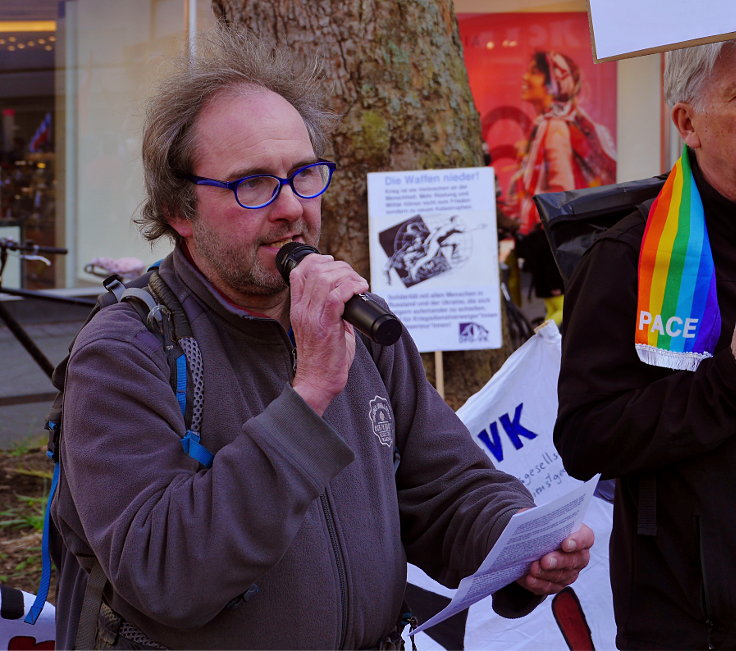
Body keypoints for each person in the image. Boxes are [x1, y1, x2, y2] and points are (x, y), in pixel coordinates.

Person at [52, 27, 593, 650]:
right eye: (251, 183)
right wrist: (309, 394)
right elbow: (166, 573)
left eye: (303, 174)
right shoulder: (123, 355)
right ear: (180, 210)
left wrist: (518, 538)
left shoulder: (362, 323)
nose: (290, 208)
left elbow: (443, 486)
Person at [554, 40, 736, 649]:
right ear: (687, 123)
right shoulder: (627, 259)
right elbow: (585, 438)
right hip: (693, 621)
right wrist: (727, 380)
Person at [507, 51, 616, 327]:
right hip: (545, 238)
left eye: (533, 71)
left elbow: (561, 190)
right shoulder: (545, 125)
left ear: (551, 83)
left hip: (549, 238)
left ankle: (548, 353)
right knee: (553, 305)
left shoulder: (553, 128)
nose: (525, 77)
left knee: (560, 308)